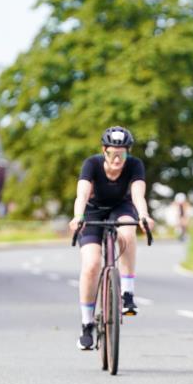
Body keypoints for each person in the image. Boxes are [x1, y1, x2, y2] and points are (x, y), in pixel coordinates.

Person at [69, 126, 154, 350]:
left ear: (128, 153)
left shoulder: (135, 165)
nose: (117, 159)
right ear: (104, 151)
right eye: (112, 154)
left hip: (120, 207)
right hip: (92, 211)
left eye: (122, 154)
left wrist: (144, 216)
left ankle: (127, 292)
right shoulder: (91, 164)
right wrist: (78, 217)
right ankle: (87, 324)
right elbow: (82, 194)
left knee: (127, 231)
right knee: (91, 265)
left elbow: (138, 195)